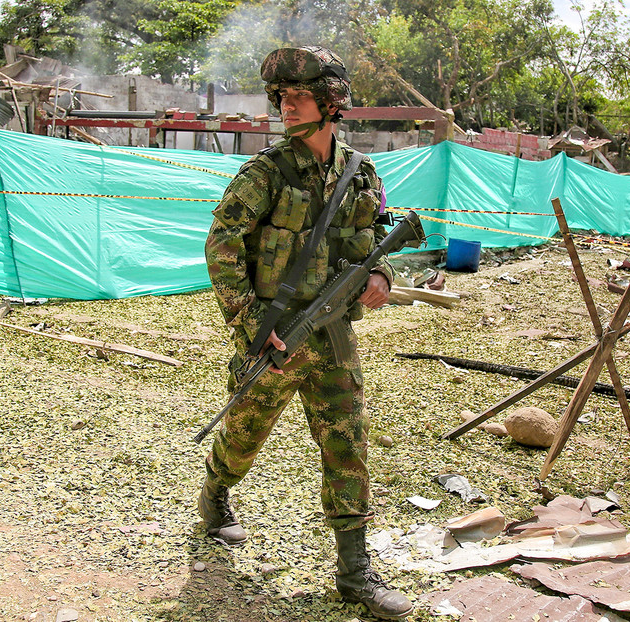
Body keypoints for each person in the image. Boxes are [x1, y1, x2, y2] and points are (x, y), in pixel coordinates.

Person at [200, 46, 414, 620]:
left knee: (347, 443)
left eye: (297, 97)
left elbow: (371, 242)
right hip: (274, 338)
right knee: (242, 436)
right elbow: (221, 250)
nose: (285, 107)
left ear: (331, 102)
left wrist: (382, 274)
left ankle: (354, 573)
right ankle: (216, 495)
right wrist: (251, 326)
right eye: (281, 98)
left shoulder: (360, 174)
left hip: (334, 337)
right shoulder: (265, 174)